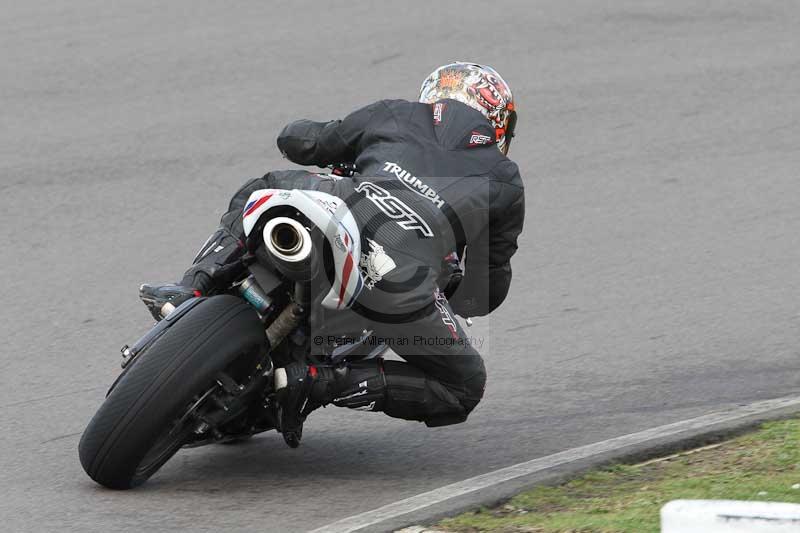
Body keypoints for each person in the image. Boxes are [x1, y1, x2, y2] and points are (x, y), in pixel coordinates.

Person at [140, 62, 524, 445]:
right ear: (500, 124)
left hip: (340, 209)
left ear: (434, 92)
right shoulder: (505, 179)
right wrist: (454, 291)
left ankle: (191, 288)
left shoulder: (397, 113)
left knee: (265, 186)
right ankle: (319, 382)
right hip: (400, 276)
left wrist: (320, 143)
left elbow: (302, 141)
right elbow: (485, 290)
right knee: (463, 387)